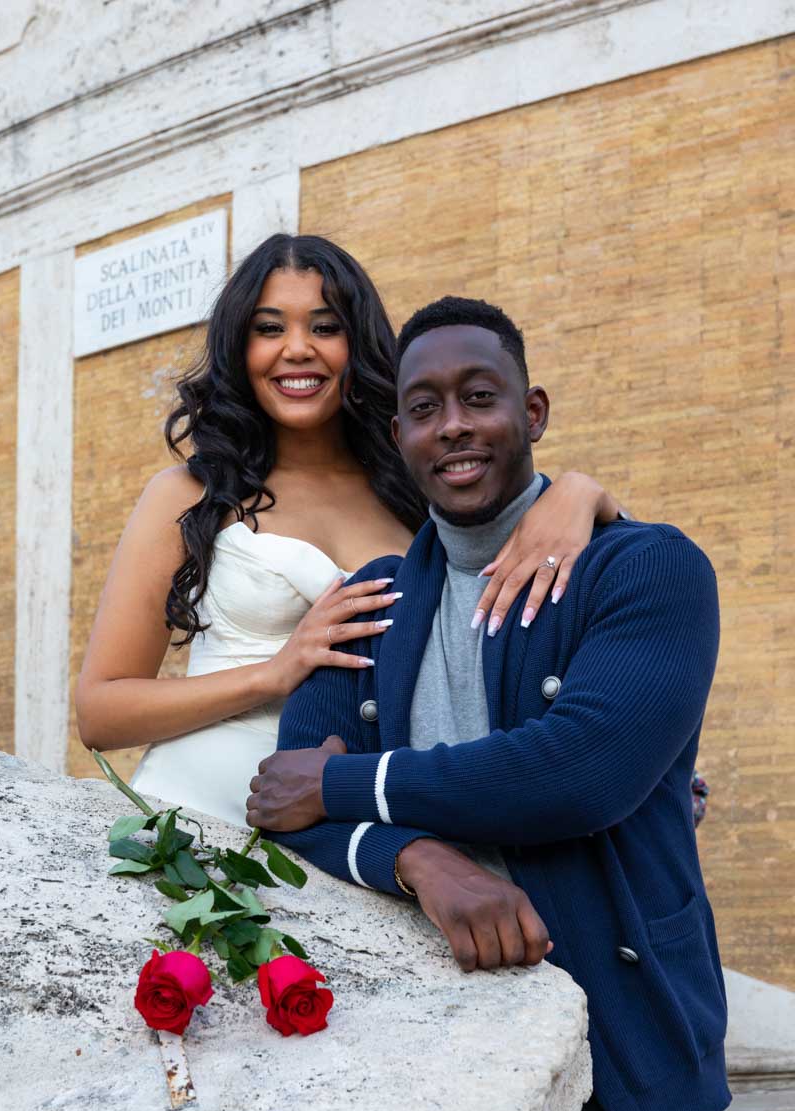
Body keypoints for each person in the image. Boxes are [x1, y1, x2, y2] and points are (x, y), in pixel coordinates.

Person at [246, 296, 729, 1111]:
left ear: (533, 412)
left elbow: (578, 772)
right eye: (425, 408)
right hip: (433, 1057)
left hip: (626, 1049)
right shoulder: (372, 598)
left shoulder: (647, 569)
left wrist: (351, 781)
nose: (454, 426)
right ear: (399, 434)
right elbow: (285, 805)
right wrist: (419, 860)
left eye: (480, 397)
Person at [75, 236, 626, 825]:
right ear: (240, 348)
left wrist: (580, 492)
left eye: (325, 327)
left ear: (356, 344)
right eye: (268, 329)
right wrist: (274, 672)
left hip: (362, 826)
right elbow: (101, 712)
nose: (296, 349)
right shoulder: (191, 494)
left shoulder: (421, 495)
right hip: (197, 813)